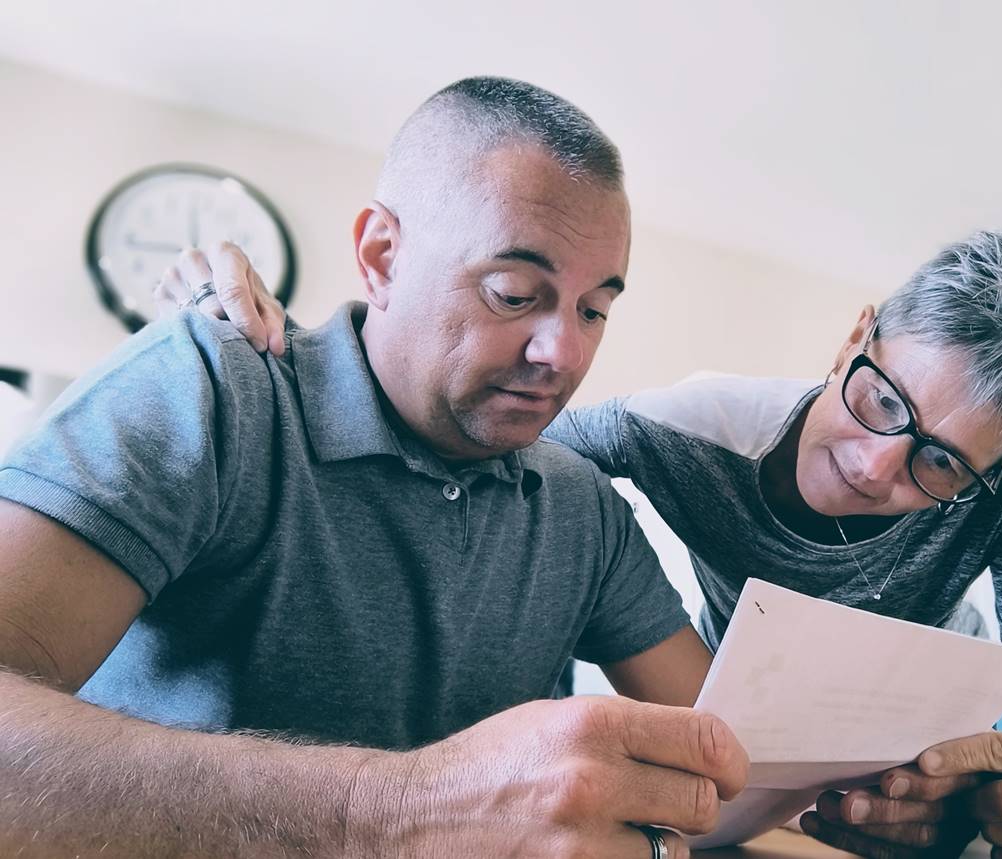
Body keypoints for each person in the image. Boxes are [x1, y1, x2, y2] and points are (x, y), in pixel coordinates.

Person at [0, 77, 751, 858]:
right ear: (382, 256)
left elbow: (732, 765)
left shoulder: (583, 510)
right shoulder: (212, 392)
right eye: (514, 292)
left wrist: (868, 797)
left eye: (594, 309)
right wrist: (387, 812)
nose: (562, 352)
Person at [207, 229, 1002, 859]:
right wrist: (302, 358)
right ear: (855, 338)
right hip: (742, 729)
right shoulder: (693, 427)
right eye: (883, 400)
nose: (878, 466)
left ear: (987, 473)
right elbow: (478, 434)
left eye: (939, 464)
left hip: (922, 746)